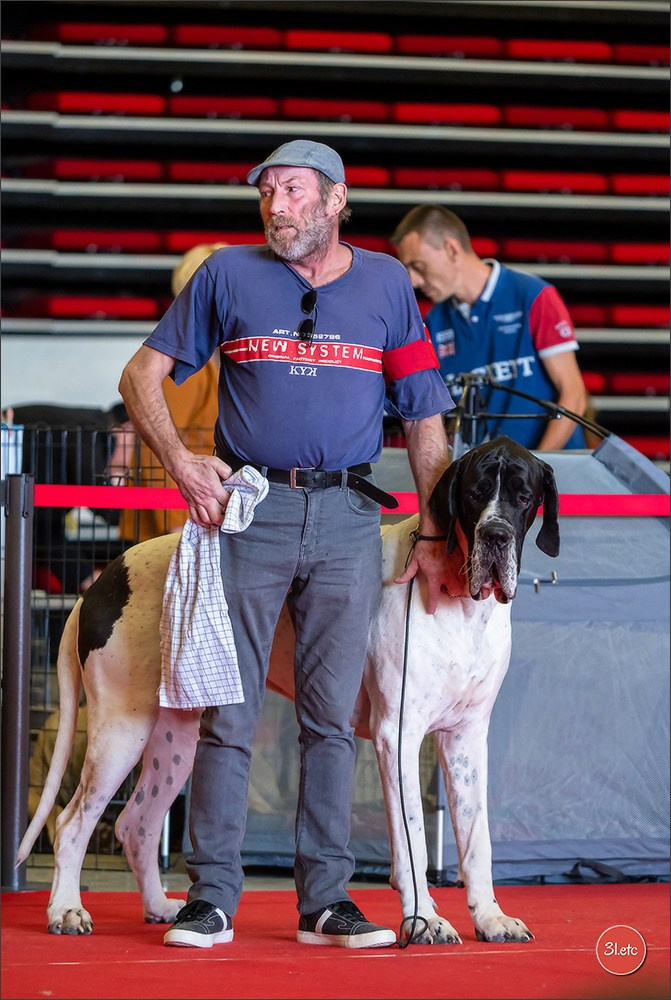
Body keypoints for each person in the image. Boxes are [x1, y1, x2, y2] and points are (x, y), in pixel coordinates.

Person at [119, 139, 461, 951]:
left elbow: (422, 418)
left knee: (332, 722)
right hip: (250, 510)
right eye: (267, 192)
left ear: (336, 200)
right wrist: (180, 463)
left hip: (349, 519)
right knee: (229, 716)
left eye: (294, 191)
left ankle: (325, 905)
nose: (276, 206)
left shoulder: (385, 283)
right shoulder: (226, 275)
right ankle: (212, 900)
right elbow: (140, 376)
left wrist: (439, 529)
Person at [390, 205, 587, 451]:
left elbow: (574, 396)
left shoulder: (533, 295)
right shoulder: (434, 321)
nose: (413, 281)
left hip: (553, 477)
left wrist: (536, 470)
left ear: (451, 249)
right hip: (488, 481)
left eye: (417, 266)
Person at [119, 243, 227, 543]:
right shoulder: (184, 363)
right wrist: (174, 526)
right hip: (177, 524)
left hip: (200, 516)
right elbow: (156, 448)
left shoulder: (220, 355)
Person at [2, 401, 135, 593]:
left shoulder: (91, 425)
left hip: (34, 510)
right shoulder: (91, 429)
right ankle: (103, 593)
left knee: (50, 538)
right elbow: (104, 504)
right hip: (24, 501)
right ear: (128, 429)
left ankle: (101, 591)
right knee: (49, 538)